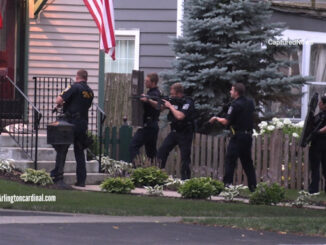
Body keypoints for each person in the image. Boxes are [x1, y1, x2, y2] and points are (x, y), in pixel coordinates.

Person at [209, 82, 256, 192]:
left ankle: (227, 184)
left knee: (230, 160)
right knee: (247, 162)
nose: (230, 92)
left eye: (231, 90)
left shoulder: (235, 105)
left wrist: (216, 118)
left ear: (236, 92)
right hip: (248, 136)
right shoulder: (250, 102)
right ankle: (253, 187)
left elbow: (226, 121)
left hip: (238, 136)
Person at [50, 69, 94, 187]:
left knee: (62, 149)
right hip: (83, 124)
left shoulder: (74, 87)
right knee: (79, 152)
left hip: (70, 124)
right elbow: (81, 104)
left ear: (77, 77)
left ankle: (58, 177)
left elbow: (59, 100)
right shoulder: (90, 92)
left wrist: (60, 102)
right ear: (86, 78)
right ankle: (81, 181)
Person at [157, 83, 195, 180]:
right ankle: (159, 174)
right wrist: (151, 100)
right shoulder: (173, 101)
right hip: (174, 132)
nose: (171, 95)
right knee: (162, 151)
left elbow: (180, 116)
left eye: (173, 94)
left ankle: (185, 180)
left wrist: (170, 106)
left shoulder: (188, 102)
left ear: (179, 93)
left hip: (185, 132)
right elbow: (160, 108)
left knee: (185, 158)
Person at [129, 73, 161, 164]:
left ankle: (137, 169)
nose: (145, 82)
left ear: (153, 82)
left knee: (133, 146)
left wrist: (148, 100)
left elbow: (159, 105)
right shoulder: (150, 92)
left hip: (149, 126)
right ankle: (154, 173)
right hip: (151, 125)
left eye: (147, 81)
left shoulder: (156, 93)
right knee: (151, 153)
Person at [308, 95, 326, 194]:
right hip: (316, 143)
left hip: (321, 143)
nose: (319, 104)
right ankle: (314, 189)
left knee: (322, 167)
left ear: (324, 104)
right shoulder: (320, 114)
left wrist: (318, 132)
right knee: (315, 167)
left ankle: (313, 189)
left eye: (320, 102)